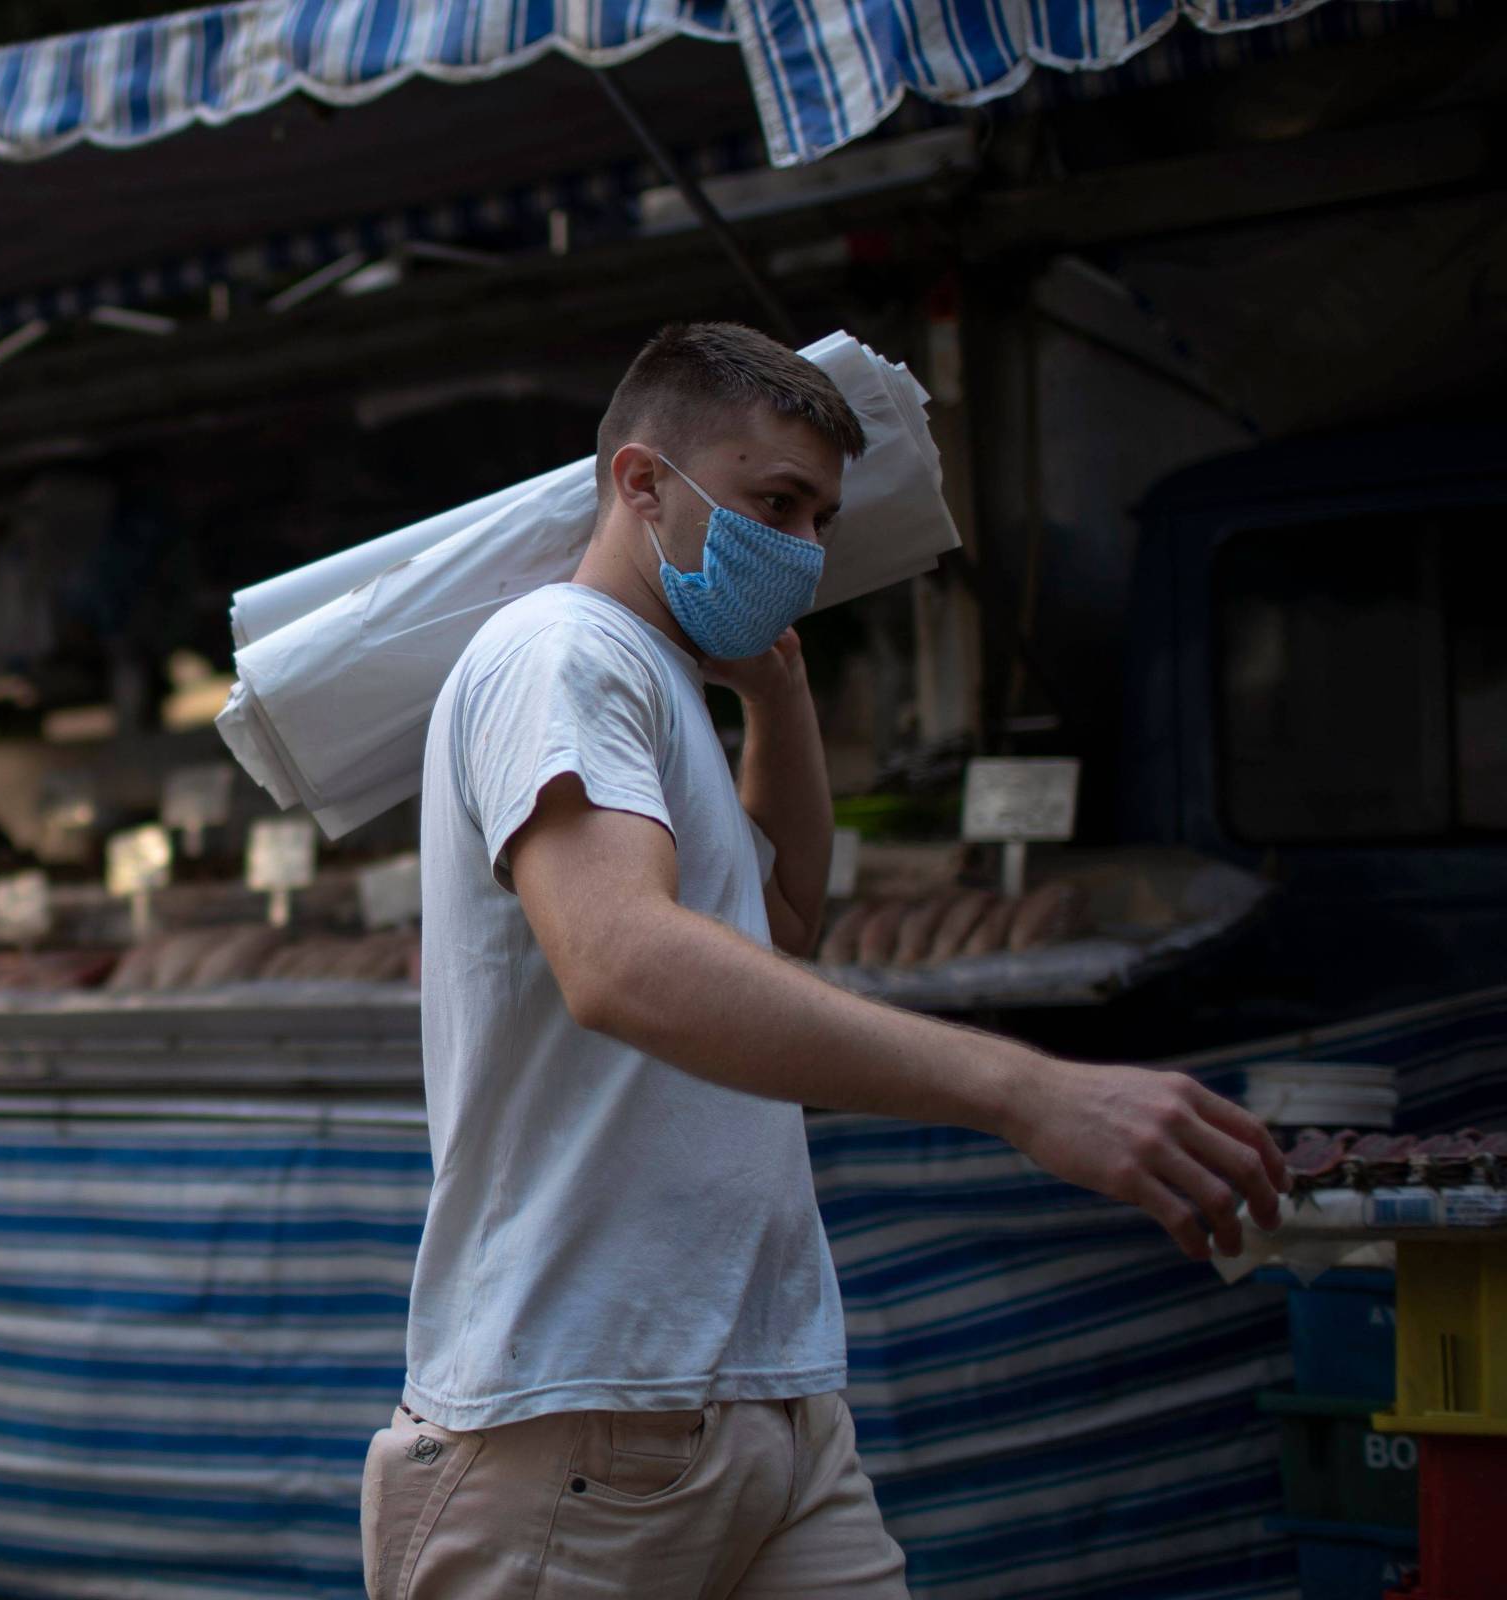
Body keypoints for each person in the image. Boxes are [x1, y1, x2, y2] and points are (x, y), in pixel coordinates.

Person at [361, 323, 1289, 1599]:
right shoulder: (560, 654)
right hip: (583, 1410)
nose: (800, 549)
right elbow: (624, 963)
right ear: (641, 483)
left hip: (767, 1399)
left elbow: (783, 926)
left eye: (821, 521)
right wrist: (1027, 1089)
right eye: (772, 504)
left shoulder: (656, 681)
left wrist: (778, 696)